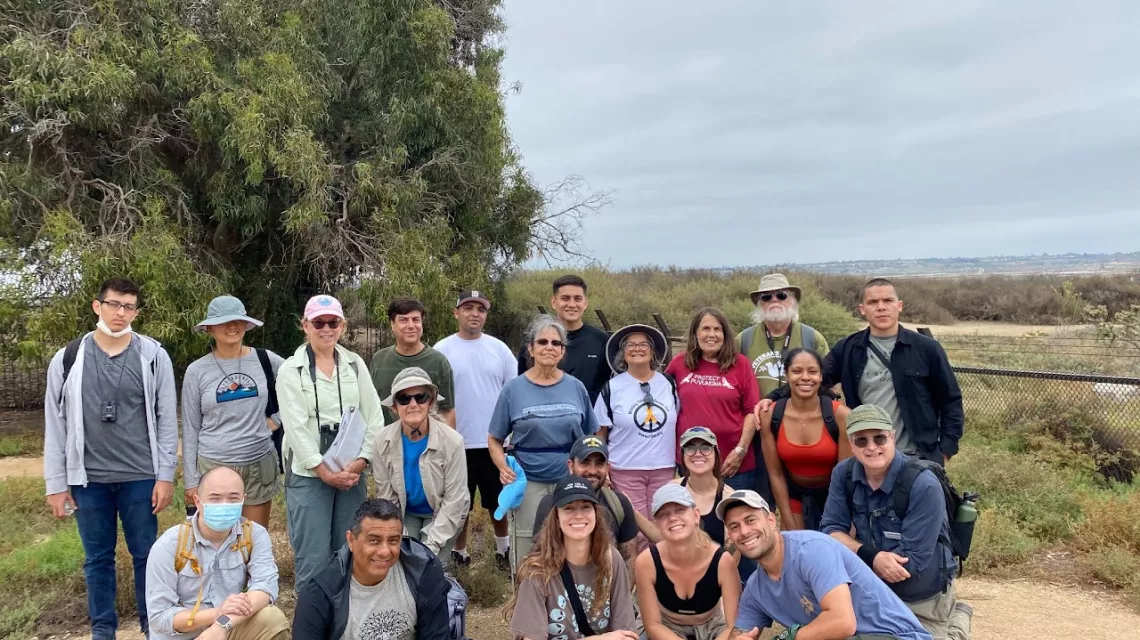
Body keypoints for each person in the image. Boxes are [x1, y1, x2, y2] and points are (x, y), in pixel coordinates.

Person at [43, 277, 178, 640]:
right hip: (88, 481)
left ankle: (154, 627)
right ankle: (103, 630)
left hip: (140, 476)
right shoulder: (69, 357)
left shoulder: (152, 356)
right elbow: (54, 425)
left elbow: (167, 418)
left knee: (146, 556)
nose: (121, 313)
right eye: (114, 304)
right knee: (97, 560)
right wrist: (56, 485)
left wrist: (165, 476)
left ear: (136, 311)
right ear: (97, 306)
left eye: (129, 306)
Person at [757, 278, 963, 465]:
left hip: (919, 457)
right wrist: (772, 398)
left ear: (899, 306)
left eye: (887, 301)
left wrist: (945, 450)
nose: (881, 307)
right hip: (868, 456)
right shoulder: (848, 349)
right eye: (873, 303)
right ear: (862, 309)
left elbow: (950, 400)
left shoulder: (926, 349)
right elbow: (812, 380)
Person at [820, 405, 973, 640]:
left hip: (921, 595)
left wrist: (855, 554)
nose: (871, 447)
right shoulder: (844, 474)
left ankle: (958, 616)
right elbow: (830, 530)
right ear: (851, 444)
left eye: (879, 438)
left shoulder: (924, 484)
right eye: (861, 440)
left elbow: (912, 563)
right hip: (873, 587)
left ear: (892, 437)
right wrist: (873, 557)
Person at [277, 294, 386, 589]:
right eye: (319, 322)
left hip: (351, 471)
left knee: (349, 548)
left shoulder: (354, 364)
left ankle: (344, 621)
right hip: (309, 474)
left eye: (333, 322)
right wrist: (323, 471)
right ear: (305, 325)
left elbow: (373, 416)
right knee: (312, 556)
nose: (326, 328)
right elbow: (295, 427)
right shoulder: (291, 370)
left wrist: (361, 461)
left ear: (342, 326)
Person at [719, 490, 932, 640]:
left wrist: (791, 637)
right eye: (734, 526)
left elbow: (843, 622)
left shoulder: (810, 549)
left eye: (750, 520)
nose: (744, 532)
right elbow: (740, 632)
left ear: (771, 521)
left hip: (892, 635)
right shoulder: (756, 588)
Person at [489, 315, 600, 572]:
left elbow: (590, 437)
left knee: (570, 538)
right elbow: (494, 438)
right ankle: (526, 601)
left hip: (569, 479)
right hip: (528, 481)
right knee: (528, 542)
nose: (549, 347)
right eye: (542, 342)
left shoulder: (576, 388)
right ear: (531, 349)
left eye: (556, 343)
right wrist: (502, 467)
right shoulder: (513, 389)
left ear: (562, 351)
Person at [145, 466, 289, 640]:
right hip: (184, 635)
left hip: (228, 627)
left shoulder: (254, 535)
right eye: (215, 498)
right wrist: (217, 614)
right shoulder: (169, 545)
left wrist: (221, 625)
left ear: (243, 500)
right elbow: (160, 618)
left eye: (233, 498)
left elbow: (265, 588)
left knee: (272, 619)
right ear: (198, 501)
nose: (224, 505)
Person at [182, 295, 284, 528]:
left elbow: (302, 387)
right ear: (209, 328)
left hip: (258, 463)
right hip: (214, 466)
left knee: (253, 539)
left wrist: (277, 420)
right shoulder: (196, 371)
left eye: (237, 320)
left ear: (246, 324)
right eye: (223, 321)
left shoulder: (266, 360)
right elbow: (190, 427)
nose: (232, 326)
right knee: (215, 540)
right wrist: (191, 481)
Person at [434, 289, 517, 570]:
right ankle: (459, 553)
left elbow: (512, 392)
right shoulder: (442, 350)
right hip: (456, 441)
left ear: (485, 315)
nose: (474, 314)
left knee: (499, 502)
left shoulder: (499, 349)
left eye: (480, 309)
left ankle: (503, 551)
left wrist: (510, 435)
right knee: (459, 505)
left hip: (494, 442)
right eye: (468, 308)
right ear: (456, 313)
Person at [292, 498, 453, 640]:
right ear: (351, 541)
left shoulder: (424, 571)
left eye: (393, 541)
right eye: (374, 540)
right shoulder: (320, 594)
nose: (384, 551)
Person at [504, 475, 638, 640]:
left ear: (596, 514)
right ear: (556, 517)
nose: (578, 515)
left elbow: (627, 633)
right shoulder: (537, 572)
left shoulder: (611, 559)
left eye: (586, 507)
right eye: (569, 508)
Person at [594, 323, 677, 550]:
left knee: (665, 525)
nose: (637, 349)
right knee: (635, 531)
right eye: (631, 345)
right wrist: (603, 468)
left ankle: (664, 578)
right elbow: (600, 434)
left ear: (653, 352)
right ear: (623, 354)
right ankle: (639, 581)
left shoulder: (668, 384)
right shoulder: (612, 388)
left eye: (643, 344)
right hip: (625, 469)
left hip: (664, 467)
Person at [372, 367, 470, 558]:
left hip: (442, 513)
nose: (413, 404)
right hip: (406, 512)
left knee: (430, 566)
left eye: (421, 397)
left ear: (430, 402)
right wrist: (402, 538)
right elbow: (387, 498)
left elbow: (454, 501)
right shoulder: (381, 441)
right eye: (404, 399)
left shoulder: (453, 441)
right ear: (394, 407)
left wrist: (431, 545)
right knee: (402, 561)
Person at [639, 427, 757, 585]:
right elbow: (662, 536)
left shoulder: (729, 498)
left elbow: (731, 556)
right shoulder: (672, 488)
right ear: (682, 456)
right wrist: (628, 508)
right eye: (690, 448)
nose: (698, 453)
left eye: (706, 447)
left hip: (716, 578)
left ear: (716, 454)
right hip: (676, 575)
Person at [665, 307, 760, 494]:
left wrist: (740, 451)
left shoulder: (740, 364)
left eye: (717, 329)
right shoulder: (679, 363)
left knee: (734, 517)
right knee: (695, 516)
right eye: (705, 329)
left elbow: (751, 411)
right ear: (695, 334)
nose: (712, 335)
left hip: (732, 463)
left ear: (725, 335)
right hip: (692, 459)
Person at [757, 348, 851, 532]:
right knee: (797, 553)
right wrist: (788, 520)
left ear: (821, 376)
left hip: (834, 497)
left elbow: (846, 476)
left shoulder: (840, 415)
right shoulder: (771, 415)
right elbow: (775, 475)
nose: (806, 377)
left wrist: (844, 519)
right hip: (794, 497)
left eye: (813, 371)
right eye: (797, 371)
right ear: (786, 374)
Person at [636, 484, 741, 640]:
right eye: (664, 515)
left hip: (712, 625)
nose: (672, 518)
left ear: (696, 515)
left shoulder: (722, 561)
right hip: (665, 626)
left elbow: (733, 627)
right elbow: (653, 625)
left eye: (680, 510)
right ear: (657, 524)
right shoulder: (647, 561)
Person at [531, 436, 641, 575]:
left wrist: (621, 594)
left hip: (608, 589)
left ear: (608, 468)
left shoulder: (619, 504)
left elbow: (629, 559)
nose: (592, 471)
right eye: (585, 463)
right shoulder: (550, 504)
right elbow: (539, 558)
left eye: (599, 464)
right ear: (571, 466)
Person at [517, 274, 610, 404]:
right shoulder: (536, 341)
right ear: (554, 302)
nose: (572, 304)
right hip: (544, 418)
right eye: (565, 298)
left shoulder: (601, 341)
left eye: (577, 299)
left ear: (585, 303)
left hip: (588, 420)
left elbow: (607, 387)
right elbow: (522, 386)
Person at [739, 273, 830, 398]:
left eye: (781, 296)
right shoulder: (743, 340)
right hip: (759, 415)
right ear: (760, 304)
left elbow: (828, 382)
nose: (774, 300)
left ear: (793, 302)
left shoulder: (812, 338)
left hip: (802, 416)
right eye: (766, 297)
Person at [370, 296, 456, 426]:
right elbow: (370, 407)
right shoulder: (379, 360)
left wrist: (447, 444)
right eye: (403, 320)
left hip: (427, 443)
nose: (411, 326)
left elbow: (447, 411)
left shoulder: (438, 362)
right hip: (385, 443)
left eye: (416, 320)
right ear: (392, 324)